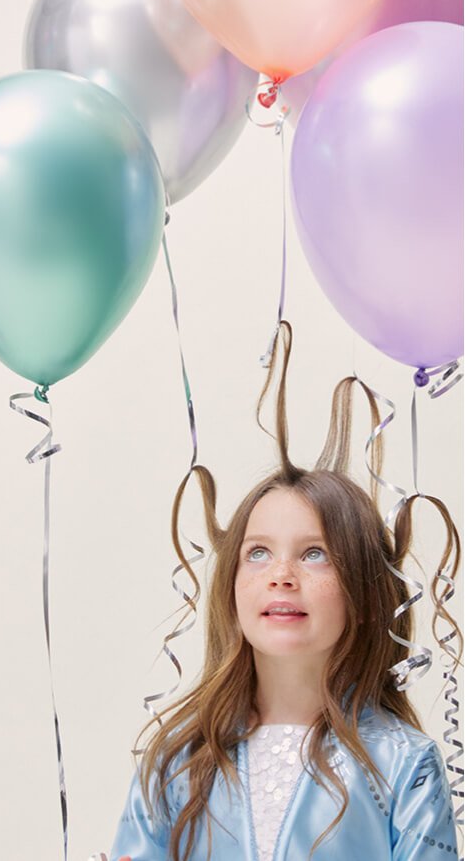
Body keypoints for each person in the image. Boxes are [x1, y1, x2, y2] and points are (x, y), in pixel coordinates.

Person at [109, 323, 461, 860]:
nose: (281, 574)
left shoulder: (403, 764)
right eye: (258, 552)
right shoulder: (178, 760)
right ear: (231, 589)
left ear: (365, 600)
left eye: (314, 553)